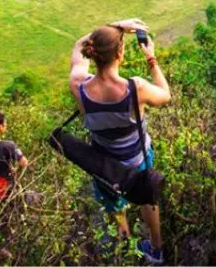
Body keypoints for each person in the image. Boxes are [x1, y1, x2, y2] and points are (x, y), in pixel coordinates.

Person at [69, 18, 171, 263]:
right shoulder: (136, 88)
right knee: (148, 197)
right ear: (120, 53)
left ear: (92, 52)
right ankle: (156, 250)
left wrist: (113, 27)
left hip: (104, 165)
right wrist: (152, 59)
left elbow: (77, 45)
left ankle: (125, 253)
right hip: (136, 160)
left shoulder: (78, 85)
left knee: (115, 206)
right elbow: (166, 95)